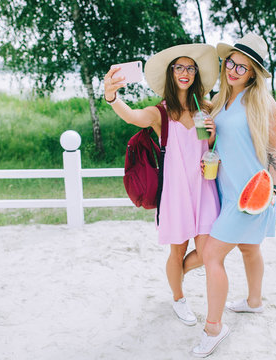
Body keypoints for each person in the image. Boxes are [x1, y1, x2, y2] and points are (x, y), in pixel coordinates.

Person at [103, 44, 220, 327]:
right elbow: (132, 116)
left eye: (190, 68)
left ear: (196, 74)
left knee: (207, 253)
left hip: (204, 189)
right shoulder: (160, 113)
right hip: (176, 193)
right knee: (177, 251)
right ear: (171, 73)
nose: (185, 72)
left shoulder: (205, 109)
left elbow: (208, 148)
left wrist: (214, 137)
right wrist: (111, 95)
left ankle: (174, 275)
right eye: (179, 67)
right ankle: (178, 298)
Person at [192, 33, 276, 357]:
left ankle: (213, 327)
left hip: (250, 194)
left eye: (241, 67)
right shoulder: (221, 99)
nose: (232, 69)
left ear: (253, 73)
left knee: (212, 256)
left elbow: (275, 151)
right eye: (230, 62)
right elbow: (222, 141)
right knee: (248, 248)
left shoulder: (262, 102)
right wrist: (212, 139)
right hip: (226, 191)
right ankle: (254, 302)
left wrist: (270, 189)